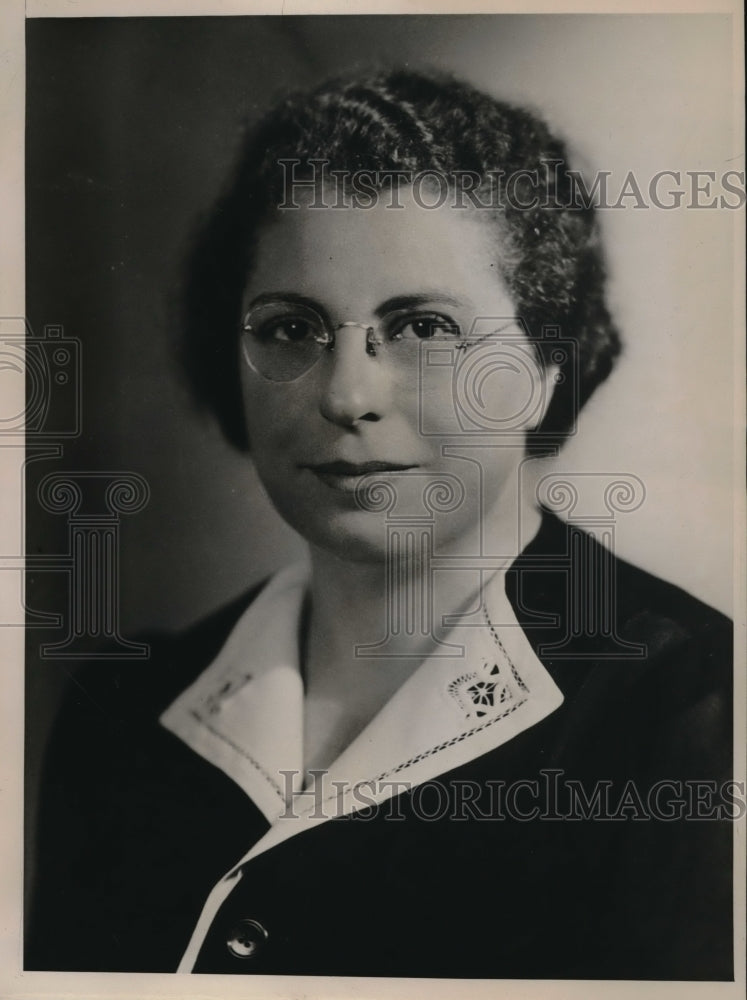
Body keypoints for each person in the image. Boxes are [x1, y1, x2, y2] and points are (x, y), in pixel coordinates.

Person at [26, 69, 733, 980]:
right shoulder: (121, 719)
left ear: (548, 367)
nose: (346, 393)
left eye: (425, 327)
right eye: (290, 327)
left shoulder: (694, 716)